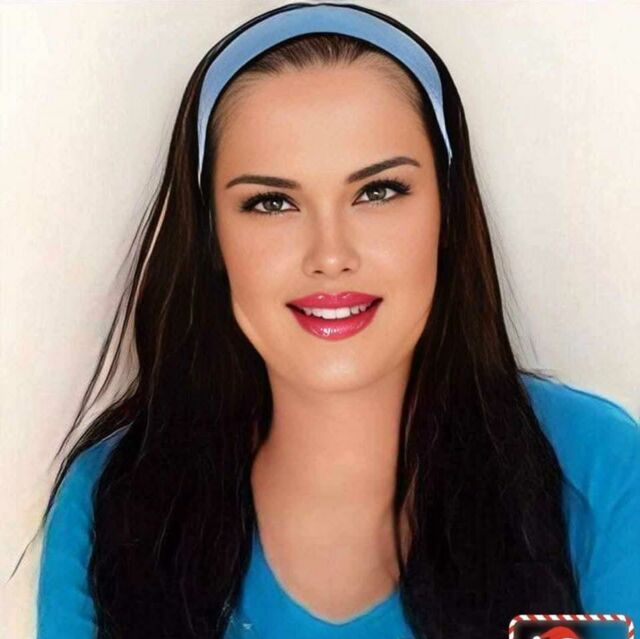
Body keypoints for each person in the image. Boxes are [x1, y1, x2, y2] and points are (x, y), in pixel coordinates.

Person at [35, 3, 640, 638]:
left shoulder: (602, 473)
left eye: (378, 192)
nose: (330, 255)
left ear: (447, 213)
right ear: (212, 239)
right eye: (272, 202)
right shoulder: (112, 502)